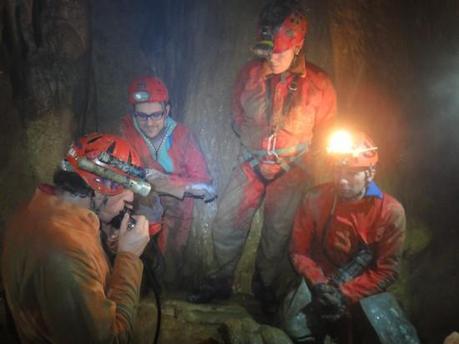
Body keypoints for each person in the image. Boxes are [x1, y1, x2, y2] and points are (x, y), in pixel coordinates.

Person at [188, 0, 336, 310]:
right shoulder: (249, 73)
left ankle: (265, 288)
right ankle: (219, 281)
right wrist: (255, 147)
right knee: (226, 222)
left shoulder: (319, 84)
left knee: (278, 234)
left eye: (280, 51)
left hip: (292, 169)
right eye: (268, 49)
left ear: (298, 45)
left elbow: (325, 128)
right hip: (251, 163)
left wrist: (298, 158)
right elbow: (237, 114)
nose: (272, 57)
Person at [2, 133, 151, 343]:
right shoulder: (65, 250)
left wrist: (102, 239)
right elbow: (111, 339)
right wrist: (129, 257)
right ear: (100, 186)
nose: (131, 199)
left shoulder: (38, 211)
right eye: (128, 188)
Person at [284, 130, 408, 343]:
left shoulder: (390, 211)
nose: (342, 179)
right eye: (338, 170)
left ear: (370, 173)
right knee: (292, 326)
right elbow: (299, 251)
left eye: (351, 173)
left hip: (362, 290)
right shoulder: (316, 199)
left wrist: (345, 294)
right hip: (320, 283)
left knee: (390, 335)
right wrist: (320, 284)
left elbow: (387, 269)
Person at [120, 76, 216, 288]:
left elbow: (205, 185)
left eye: (156, 114)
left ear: (167, 110)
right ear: (133, 113)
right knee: (138, 263)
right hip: (138, 205)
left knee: (168, 268)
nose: (149, 122)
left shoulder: (181, 136)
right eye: (142, 116)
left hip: (176, 209)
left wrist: (166, 182)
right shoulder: (125, 131)